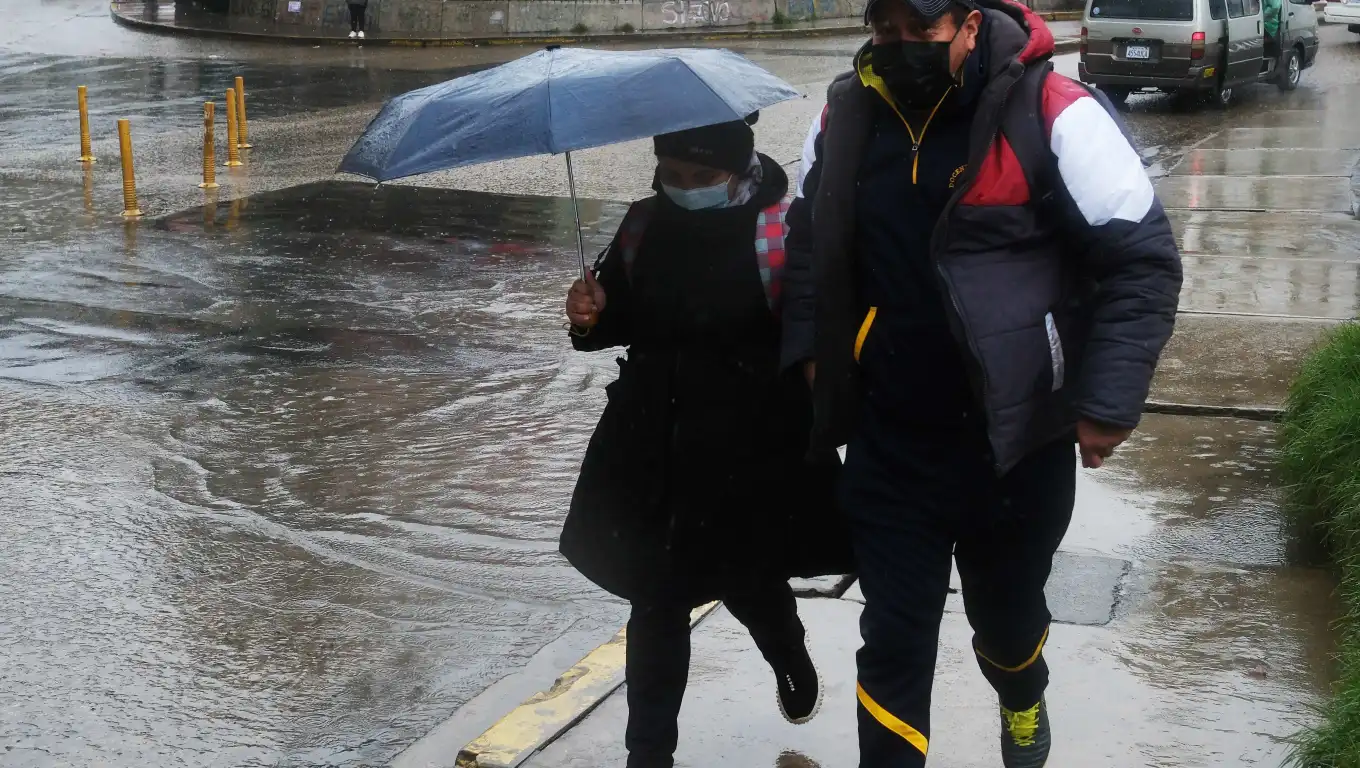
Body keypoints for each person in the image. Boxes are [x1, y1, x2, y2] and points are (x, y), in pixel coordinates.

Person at [781, 0, 1182, 766]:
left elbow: (1142, 259)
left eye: (920, 30)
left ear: (969, 25)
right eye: (885, 30)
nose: (899, 47)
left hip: (1016, 447)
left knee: (1005, 619)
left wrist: (1109, 398)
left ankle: (1022, 692)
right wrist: (812, 352)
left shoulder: (1052, 110)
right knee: (893, 640)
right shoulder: (844, 117)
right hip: (892, 441)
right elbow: (809, 240)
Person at [560, 118, 853, 768]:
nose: (685, 187)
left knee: (749, 580)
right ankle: (649, 755)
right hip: (653, 449)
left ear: (738, 170)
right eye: (672, 174)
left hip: (751, 454)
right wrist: (590, 315)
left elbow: (816, 335)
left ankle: (787, 649)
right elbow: (616, 321)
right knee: (656, 601)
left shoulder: (782, 230)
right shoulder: (642, 225)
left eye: (702, 176)